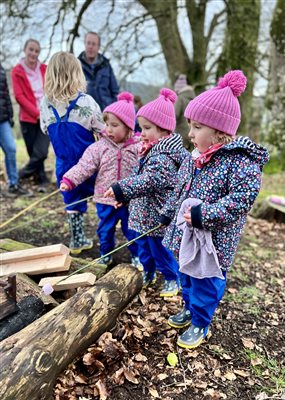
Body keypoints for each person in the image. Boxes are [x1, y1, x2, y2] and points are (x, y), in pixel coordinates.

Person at [162, 70, 269, 348]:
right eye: (189, 125)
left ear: (219, 131)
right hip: (187, 233)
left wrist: (205, 215)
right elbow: (179, 187)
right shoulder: (194, 157)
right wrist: (168, 211)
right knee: (185, 270)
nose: (190, 132)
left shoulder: (239, 161)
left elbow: (242, 198)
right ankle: (189, 307)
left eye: (197, 127)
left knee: (205, 280)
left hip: (214, 240)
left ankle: (201, 321)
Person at [104, 88, 189, 296]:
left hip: (157, 217)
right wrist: (124, 197)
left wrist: (120, 188)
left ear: (164, 131)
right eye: (141, 128)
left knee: (160, 251)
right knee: (144, 250)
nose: (141, 133)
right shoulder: (150, 150)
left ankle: (172, 278)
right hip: (142, 216)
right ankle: (148, 273)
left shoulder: (164, 157)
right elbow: (137, 176)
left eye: (147, 128)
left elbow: (150, 180)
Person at [60, 92, 142, 269]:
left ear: (128, 126)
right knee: (105, 230)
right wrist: (69, 180)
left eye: (114, 125)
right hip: (105, 199)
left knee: (133, 230)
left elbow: (146, 170)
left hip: (130, 200)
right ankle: (106, 254)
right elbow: (85, 166)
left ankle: (137, 255)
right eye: (107, 124)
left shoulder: (139, 148)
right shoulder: (100, 147)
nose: (109, 129)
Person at [40, 51, 104, 254]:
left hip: (64, 165)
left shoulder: (45, 103)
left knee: (72, 201)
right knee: (102, 197)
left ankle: (77, 240)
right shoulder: (87, 102)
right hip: (89, 164)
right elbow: (101, 130)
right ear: (76, 74)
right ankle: (107, 235)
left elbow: (44, 128)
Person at [11, 39, 50, 192]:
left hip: (46, 117)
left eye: (36, 50)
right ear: (25, 50)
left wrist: (45, 113)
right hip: (27, 119)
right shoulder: (17, 71)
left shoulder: (45, 69)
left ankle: (20, 175)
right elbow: (19, 96)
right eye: (31, 50)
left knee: (41, 152)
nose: (33, 53)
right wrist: (36, 113)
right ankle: (42, 180)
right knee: (33, 153)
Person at [0, 63, 30, 196]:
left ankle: (13, 184)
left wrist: (10, 115)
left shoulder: (1, 68)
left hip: (3, 118)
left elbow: (6, 94)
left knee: (11, 149)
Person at [78, 31, 119, 111]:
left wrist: (112, 110)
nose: (90, 46)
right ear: (84, 44)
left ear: (98, 47)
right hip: (84, 113)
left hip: (105, 112)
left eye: (93, 44)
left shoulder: (106, 65)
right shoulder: (76, 65)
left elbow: (115, 92)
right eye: (88, 43)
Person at [174, 74, 195, 149]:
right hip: (192, 131)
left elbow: (175, 115)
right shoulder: (193, 98)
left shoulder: (180, 98)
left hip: (180, 133)